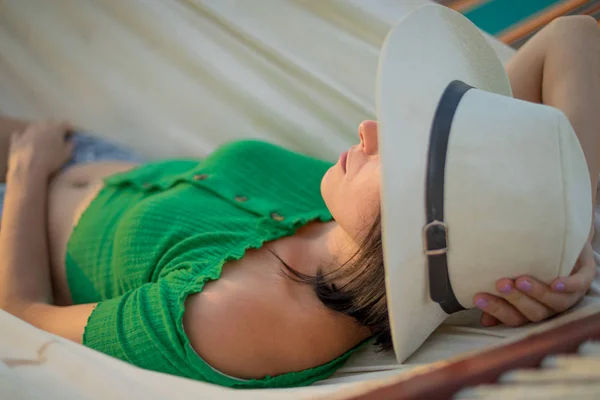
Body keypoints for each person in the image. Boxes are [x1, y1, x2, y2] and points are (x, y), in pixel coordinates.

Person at [0, 9, 598, 389]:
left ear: (426, 228)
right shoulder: (377, 219)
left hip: (16, 216)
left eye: (401, 148)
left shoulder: (231, 318)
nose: (368, 130)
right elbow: (574, 38)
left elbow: (24, 315)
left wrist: (28, 175)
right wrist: (569, 236)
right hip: (85, 154)